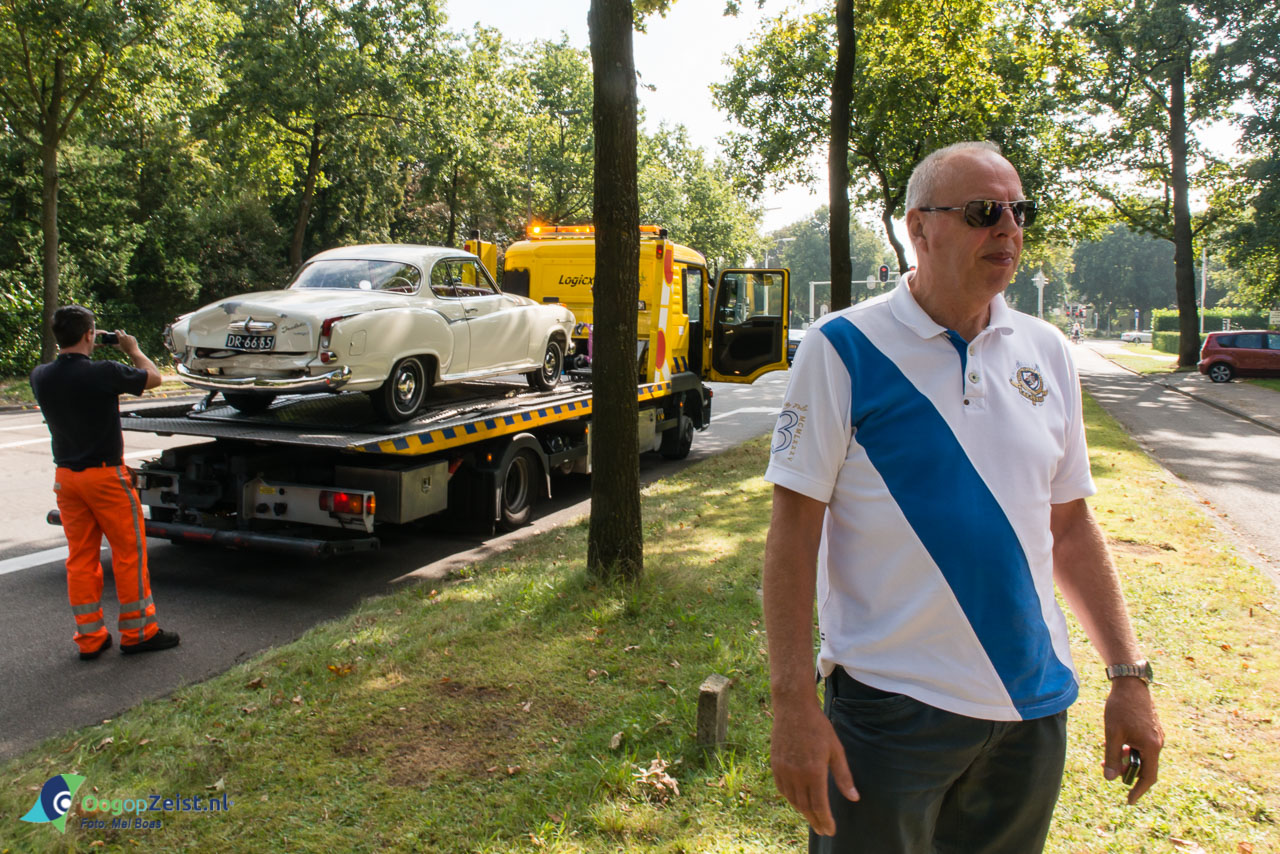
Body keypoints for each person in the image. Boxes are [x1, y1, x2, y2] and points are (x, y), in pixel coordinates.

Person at [762, 141, 1163, 853]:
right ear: (919, 228)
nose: (1007, 228)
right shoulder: (843, 349)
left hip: (1031, 710)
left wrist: (1128, 676)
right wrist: (792, 704)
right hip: (890, 711)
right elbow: (793, 537)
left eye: (1019, 210)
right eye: (984, 211)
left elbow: (1069, 527)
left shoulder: (1047, 351)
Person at [30, 305, 181, 660]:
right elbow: (154, 378)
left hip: (66, 478)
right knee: (129, 553)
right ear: (89, 335)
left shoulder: (40, 376)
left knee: (81, 558)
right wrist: (133, 350)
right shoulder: (105, 372)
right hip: (105, 477)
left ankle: (90, 638)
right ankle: (139, 632)